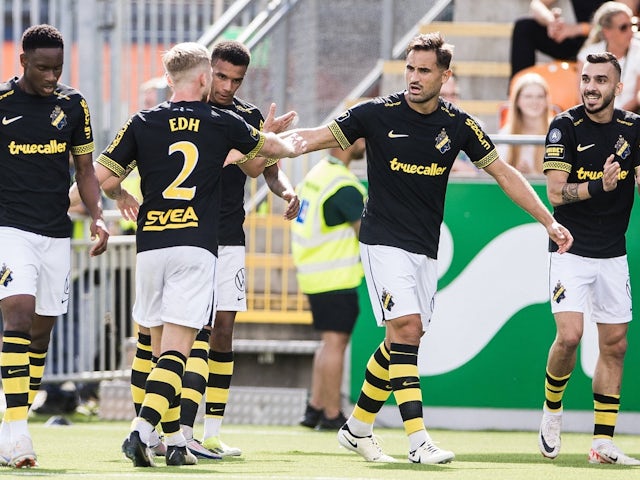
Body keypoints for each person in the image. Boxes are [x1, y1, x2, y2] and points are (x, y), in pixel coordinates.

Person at [276, 32, 573, 464]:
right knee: (408, 330)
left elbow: (504, 173)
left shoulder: (458, 124)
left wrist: (548, 219)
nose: (414, 77)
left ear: (445, 75)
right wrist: (260, 142)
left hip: (424, 249)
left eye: (424, 70)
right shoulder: (375, 113)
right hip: (381, 240)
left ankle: (358, 427)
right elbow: (313, 138)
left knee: (401, 339)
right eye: (409, 69)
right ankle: (418, 440)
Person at [90, 42, 304, 468]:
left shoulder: (142, 122)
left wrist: (120, 194)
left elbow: (95, 180)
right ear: (205, 78)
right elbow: (277, 153)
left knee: (148, 346)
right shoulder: (222, 123)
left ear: (169, 79)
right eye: (218, 76)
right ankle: (141, 432)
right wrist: (281, 138)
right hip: (195, 246)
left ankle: (172, 442)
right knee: (178, 351)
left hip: (150, 245)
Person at [0, 24, 109, 469]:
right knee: (19, 315)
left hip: (56, 233)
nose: (51, 77)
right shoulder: (2, 105)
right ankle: (18, 435)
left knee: (42, 332)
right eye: (43, 68)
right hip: (10, 229)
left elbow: (84, 167)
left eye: (58, 68)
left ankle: (11, 421)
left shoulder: (73, 104)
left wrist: (97, 214)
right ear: (22, 61)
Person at [538, 52, 640, 466]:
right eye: (585, 79)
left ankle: (602, 443)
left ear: (618, 88)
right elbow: (555, 194)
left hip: (613, 253)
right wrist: (600, 185)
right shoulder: (565, 125)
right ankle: (552, 410)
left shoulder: (634, 129)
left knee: (615, 344)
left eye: (600, 80)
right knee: (570, 337)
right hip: (571, 250)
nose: (590, 87)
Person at [293, 139, 367, 431]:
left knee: (328, 343)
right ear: (347, 144)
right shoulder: (343, 185)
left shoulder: (318, 173)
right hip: (335, 275)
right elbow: (367, 232)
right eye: (361, 137)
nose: (366, 142)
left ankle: (315, 408)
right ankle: (333, 413)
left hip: (313, 272)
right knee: (336, 343)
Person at [510, 0, 606, 79]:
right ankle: (517, 93)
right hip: (581, 45)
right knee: (524, 27)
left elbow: (618, 20)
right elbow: (536, 4)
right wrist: (551, 22)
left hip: (606, 44)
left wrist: (578, 29)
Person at [577, 1, 640, 113]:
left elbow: (637, 97)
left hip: (629, 118)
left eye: (633, 25)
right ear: (607, 32)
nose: (631, 31)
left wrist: (613, 117)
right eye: (624, 27)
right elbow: (582, 96)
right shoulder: (587, 55)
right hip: (593, 117)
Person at [497, 72, 553, 176]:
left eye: (540, 96)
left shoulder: (557, 132)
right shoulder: (507, 132)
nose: (534, 101)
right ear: (517, 101)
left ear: (546, 101)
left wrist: (532, 175)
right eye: (528, 96)